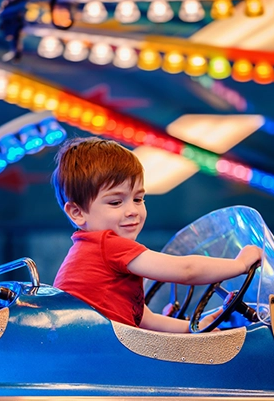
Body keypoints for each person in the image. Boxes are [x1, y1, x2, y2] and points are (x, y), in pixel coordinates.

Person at [51, 137, 262, 333]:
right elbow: (186, 270)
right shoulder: (107, 245)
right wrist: (240, 265)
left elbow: (144, 318)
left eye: (138, 199)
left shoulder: (88, 250)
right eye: (116, 202)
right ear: (77, 213)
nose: (132, 210)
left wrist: (192, 328)